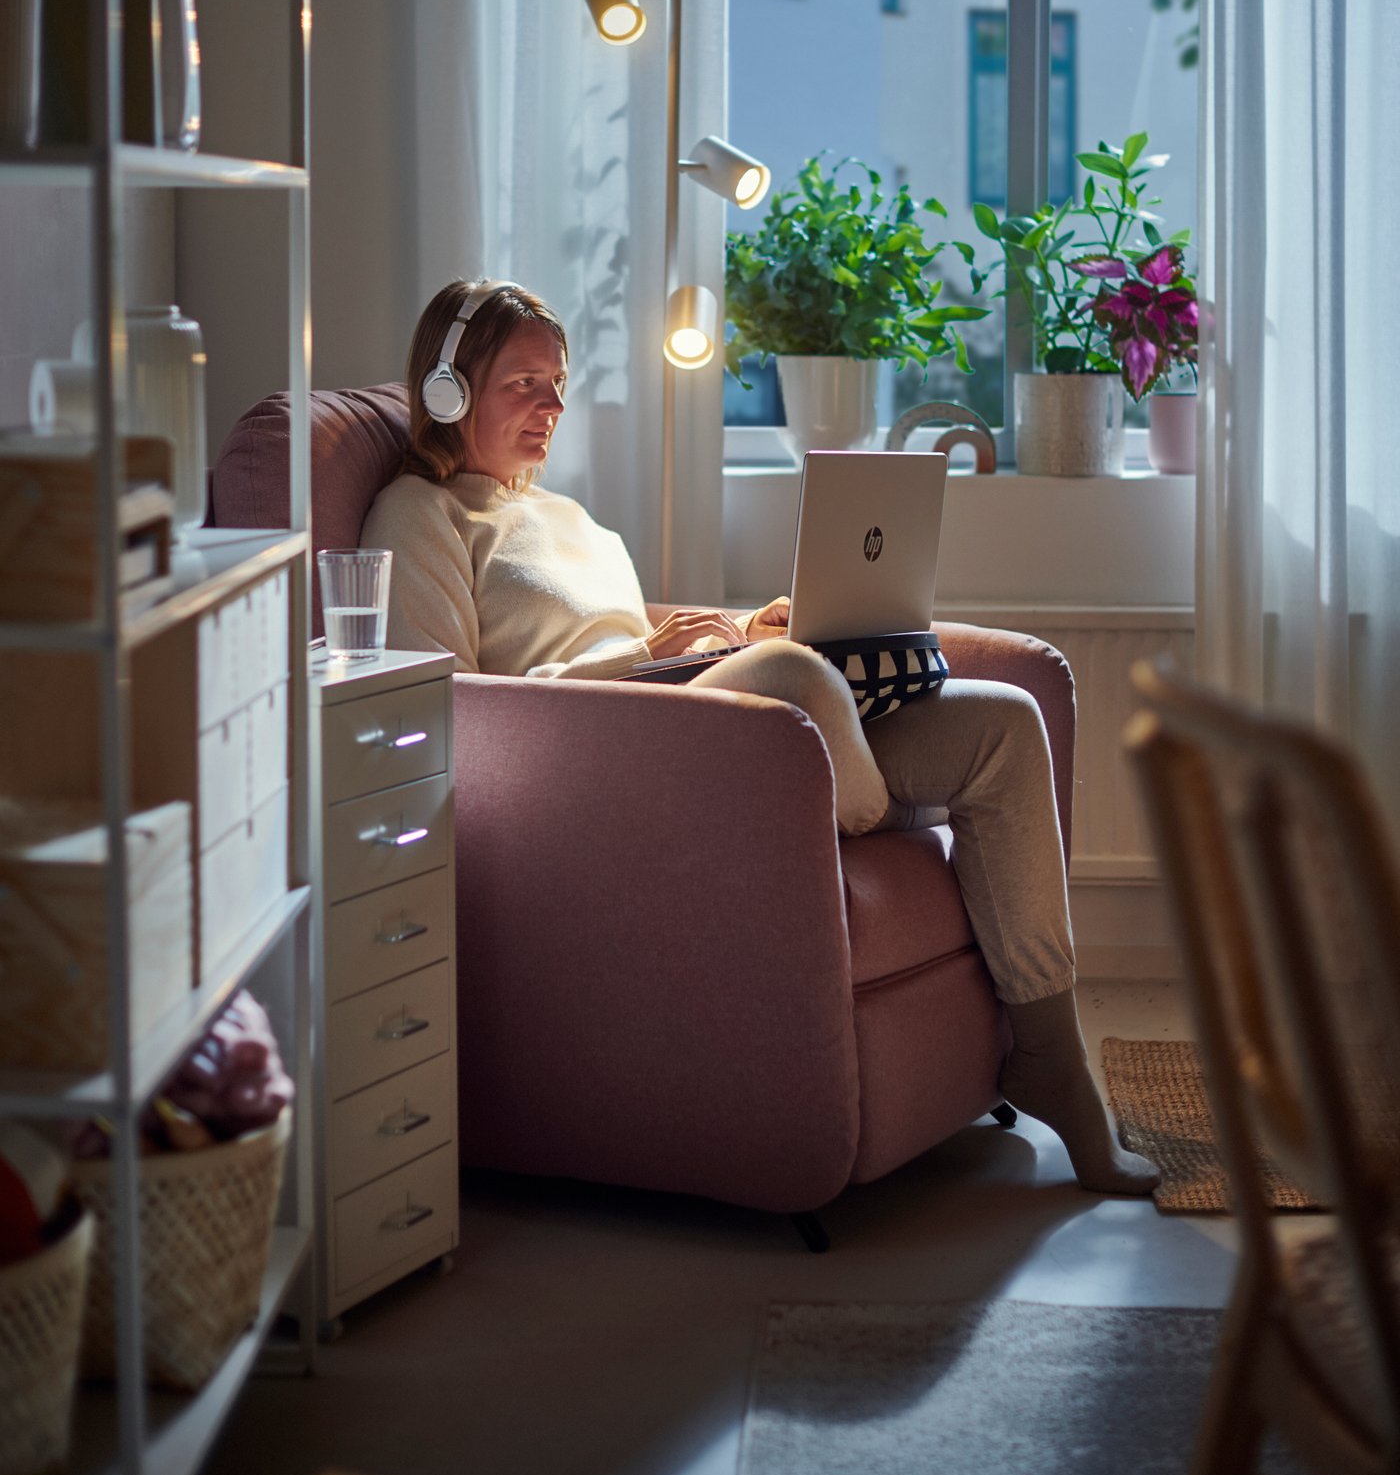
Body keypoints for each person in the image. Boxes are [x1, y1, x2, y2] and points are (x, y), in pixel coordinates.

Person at [361, 278, 1160, 1196]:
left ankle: (1052, 1058)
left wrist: (734, 634)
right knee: (796, 680)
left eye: (559, 383)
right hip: (605, 753)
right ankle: (867, 805)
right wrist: (649, 668)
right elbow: (447, 701)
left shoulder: (569, 520)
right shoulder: (419, 515)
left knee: (1000, 723)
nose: (551, 406)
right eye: (522, 384)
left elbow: (638, 637)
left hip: (698, 711)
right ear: (447, 389)